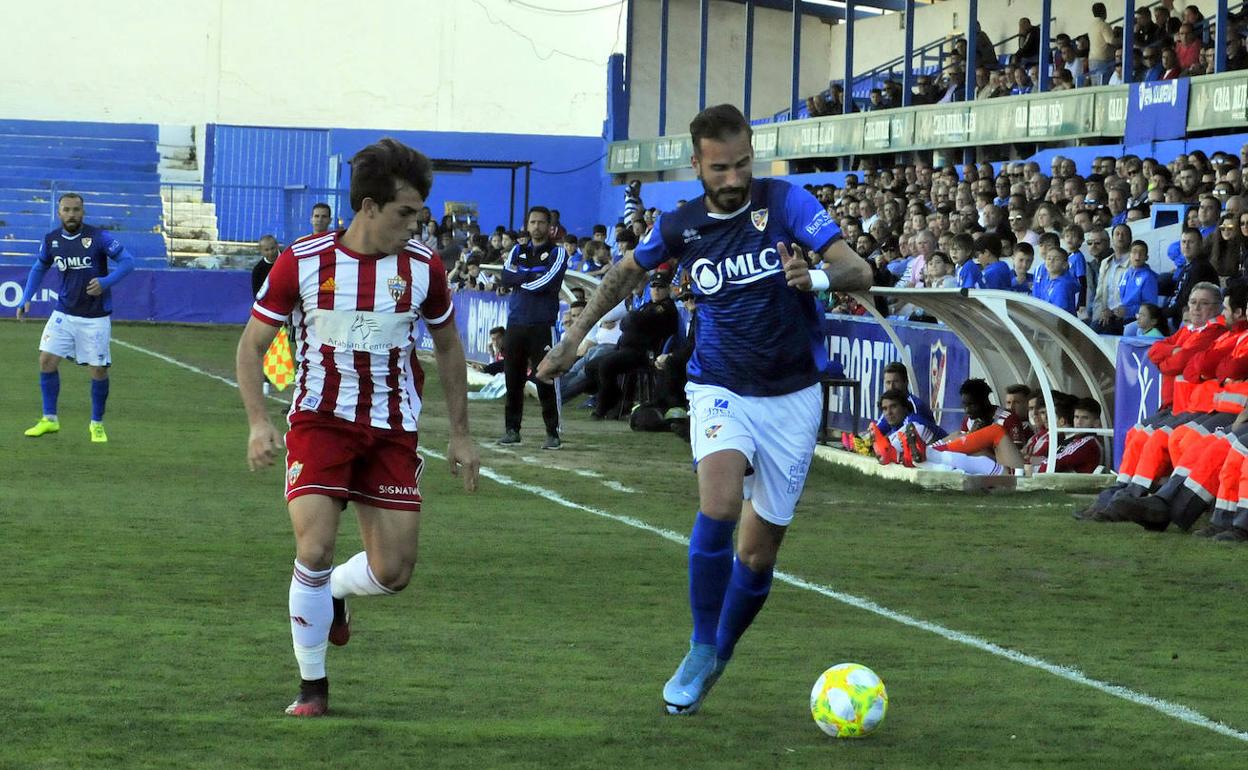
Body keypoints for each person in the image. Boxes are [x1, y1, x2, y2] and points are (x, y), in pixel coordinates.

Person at [535, 103, 872, 716]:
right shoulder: (681, 224)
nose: (734, 177)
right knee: (717, 505)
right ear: (696, 164)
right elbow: (620, 277)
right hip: (718, 385)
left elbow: (858, 268)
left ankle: (721, 648)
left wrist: (817, 279)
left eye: (742, 163)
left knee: (758, 552)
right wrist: (571, 341)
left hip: (793, 395)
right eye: (720, 168)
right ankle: (697, 644)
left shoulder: (787, 202)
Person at [234, 137, 480, 717]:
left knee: (393, 572)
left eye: (418, 213)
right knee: (314, 547)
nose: (415, 224)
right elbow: (251, 346)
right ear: (368, 207)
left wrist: (462, 434)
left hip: (392, 429)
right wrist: (257, 422)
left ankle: (340, 593)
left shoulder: (424, 269)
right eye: (405, 213)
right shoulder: (303, 260)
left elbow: (448, 347)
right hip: (320, 423)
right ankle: (312, 686)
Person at [16, 192, 136, 442]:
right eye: (67, 210)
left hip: (95, 317)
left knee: (98, 370)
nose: (71, 214)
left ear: (83, 212)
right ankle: (49, 419)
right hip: (64, 313)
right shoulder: (52, 240)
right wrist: (25, 296)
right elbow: (39, 267)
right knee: (46, 361)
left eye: (76, 210)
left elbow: (127, 262)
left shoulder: (98, 237)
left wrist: (105, 282)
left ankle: (97, 424)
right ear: (59, 213)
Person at [498, 206, 569, 449]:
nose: (536, 226)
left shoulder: (557, 253)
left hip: (542, 324)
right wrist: (524, 279)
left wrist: (522, 280)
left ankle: (553, 432)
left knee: (546, 379)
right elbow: (505, 277)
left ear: (550, 227)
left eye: (541, 222)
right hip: (516, 322)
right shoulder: (517, 250)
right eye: (532, 222)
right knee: (513, 379)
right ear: (527, 225)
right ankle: (511, 430)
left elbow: (547, 282)